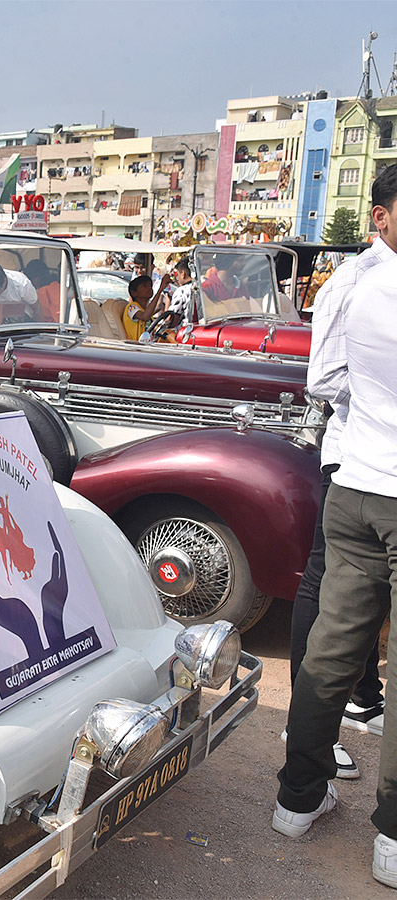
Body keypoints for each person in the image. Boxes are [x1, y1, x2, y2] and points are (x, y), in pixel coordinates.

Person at [273, 252, 397, 888]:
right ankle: (393, 836)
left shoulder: (365, 285)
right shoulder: (364, 280)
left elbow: (328, 378)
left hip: (359, 480)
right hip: (371, 480)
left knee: (332, 643)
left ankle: (297, 796)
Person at [285, 164, 397, 781]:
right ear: (379, 216)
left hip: (374, 458)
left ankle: (359, 698)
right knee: (327, 593)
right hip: (355, 457)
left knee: (355, 606)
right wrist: (381, 398)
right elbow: (322, 378)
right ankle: (306, 731)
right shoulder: (352, 281)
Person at [121, 272, 171, 341]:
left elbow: (159, 306)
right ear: (134, 293)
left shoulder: (145, 309)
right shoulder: (132, 307)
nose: (149, 288)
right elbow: (145, 317)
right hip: (135, 347)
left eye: (150, 285)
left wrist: (163, 289)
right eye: (144, 286)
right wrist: (159, 290)